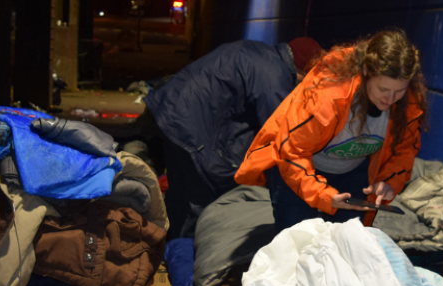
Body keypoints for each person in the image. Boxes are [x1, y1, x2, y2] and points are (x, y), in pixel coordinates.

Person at [234, 29, 428, 232]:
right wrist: (324, 196)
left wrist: (387, 183)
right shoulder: (328, 94)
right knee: (300, 238)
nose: (390, 99)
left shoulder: (409, 103)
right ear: (365, 72)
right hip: (299, 166)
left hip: (352, 171)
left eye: (399, 91)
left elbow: (404, 151)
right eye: (383, 89)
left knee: (348, 239)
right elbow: (292, 152)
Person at [140, 37, 322, 240]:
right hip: (189, 126)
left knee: (179, 191)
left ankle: (170, 244)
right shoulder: (275, 76)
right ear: (303, 71)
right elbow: (279, 131)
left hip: (170, 112)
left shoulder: (258, 51)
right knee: (203, 202)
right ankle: (188, 257)